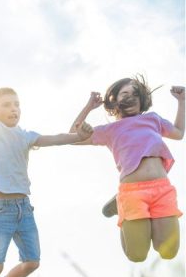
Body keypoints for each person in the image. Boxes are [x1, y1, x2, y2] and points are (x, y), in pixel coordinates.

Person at [0, 50, 93, 277]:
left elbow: (58, 138)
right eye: (7, 105)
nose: (13, 109)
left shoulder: (26, 136)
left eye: (17, 105)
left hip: (23, 209)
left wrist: (80, 136)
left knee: (32, 262)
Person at [70, 77, 183, 262]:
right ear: (114, 99)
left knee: (168, 252)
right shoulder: (110, 130)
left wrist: (182, 101)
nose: (131, 97)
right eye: (125, 93)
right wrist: (89, 107)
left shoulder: (152, 119)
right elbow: (72, 137)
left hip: (161, 189)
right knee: (137, 255)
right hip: (133, 192)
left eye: (135, 94)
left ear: (142, 100)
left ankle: (122, 205)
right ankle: (121, 206)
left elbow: (178, 133)